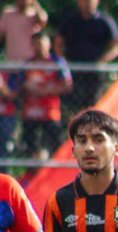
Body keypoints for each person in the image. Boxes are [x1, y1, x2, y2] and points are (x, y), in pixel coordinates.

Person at [55, 0, 118, 116]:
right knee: (72, 108)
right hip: (74, 72)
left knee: (94, 107)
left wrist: (102, 61)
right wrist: (65, 62)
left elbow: (115, 47)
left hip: (94, 74)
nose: (86, 3)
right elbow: (58, 44)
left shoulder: (104, 21)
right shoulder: (70, 21)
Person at [20, 30, 72, 159]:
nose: (38, 47)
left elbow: (67, 85)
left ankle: (54, 173)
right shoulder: (27, 64)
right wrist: (27, 86)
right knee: (30, 146)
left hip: (50, 111)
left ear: (48, 44)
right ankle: (31, 174)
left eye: (41, 44)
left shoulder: (57, 62)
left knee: (54, 144)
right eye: (35, 44)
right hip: (31, 111)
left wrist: (46, 91)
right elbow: (18, 84)